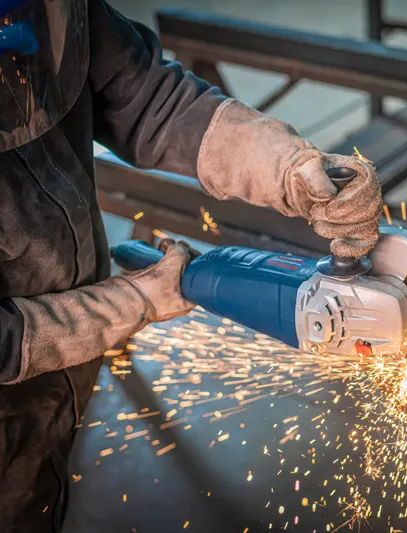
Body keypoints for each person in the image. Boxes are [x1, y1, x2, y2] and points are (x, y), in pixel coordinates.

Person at [0, 0, 382, 530]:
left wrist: (289, 167)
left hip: (61, 385)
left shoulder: (53, 11)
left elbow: (151, 99)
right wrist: (129, 303)